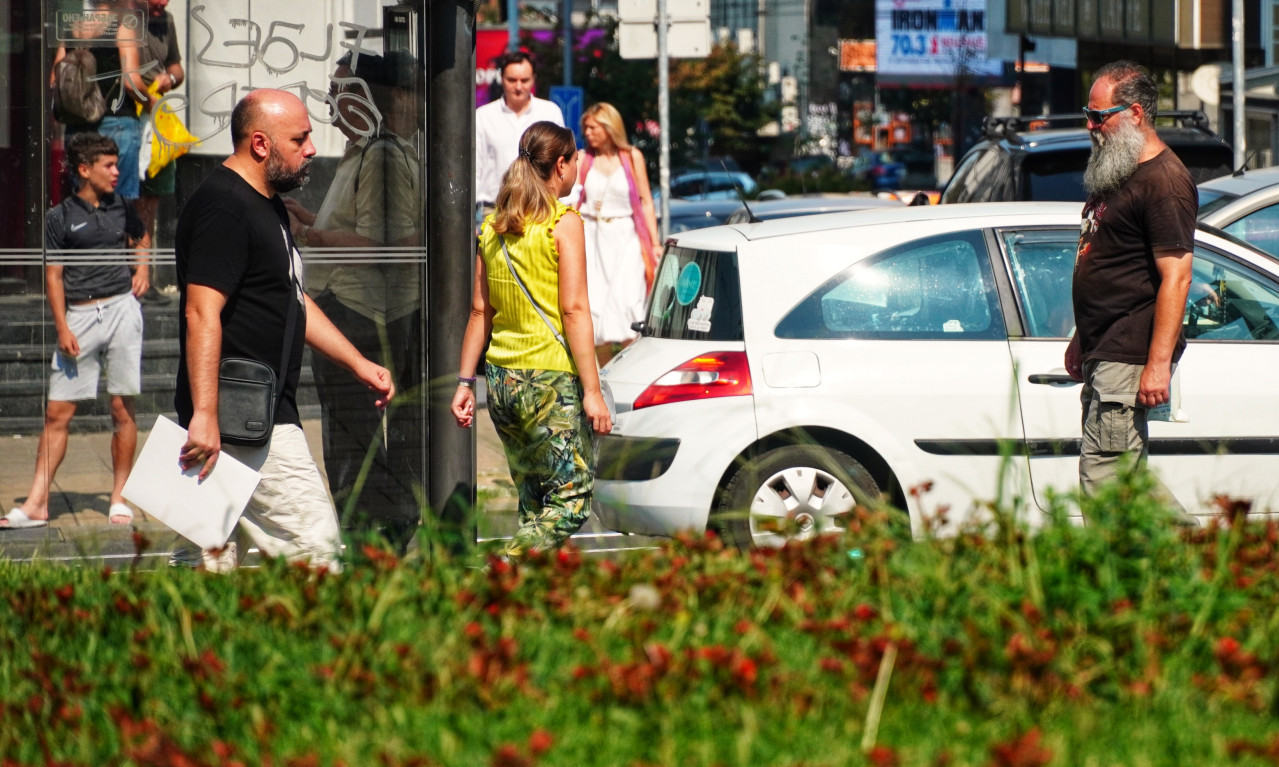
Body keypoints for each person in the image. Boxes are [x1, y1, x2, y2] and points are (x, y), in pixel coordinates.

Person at [172, 89, 395, 571]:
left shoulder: (266, 204)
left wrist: (358, 363)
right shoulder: (224, 208)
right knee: (315, 552)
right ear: (260, 144)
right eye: (300, 138)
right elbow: (200, 312)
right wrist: (206, 414)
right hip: (243, 420)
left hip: (248, 413)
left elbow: (291, 297)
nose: (312, 147)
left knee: (206, 565)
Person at [283, 51, 424, 551]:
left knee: (353, 438)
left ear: (372, 99)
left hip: (360, 311)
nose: (334, 105)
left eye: (343, 93)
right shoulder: (362, 151)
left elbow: (388, 244)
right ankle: (374, 534)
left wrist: (315, 237)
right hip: (350, 304)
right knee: (352, 436)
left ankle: (375, 539)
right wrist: (313, 223)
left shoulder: (382, 154)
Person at [452, 121, 613, 557]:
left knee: (535, 502)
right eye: (575, 159)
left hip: (502, 382)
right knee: (571, 501)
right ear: (560, 165)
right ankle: (503, 568)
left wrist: (466, 383)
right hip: (548, 381)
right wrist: (593, 391)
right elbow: (574, 310)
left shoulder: (494, 228)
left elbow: (479, 312)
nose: (578, 167)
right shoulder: (563, 223)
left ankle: (524, 605)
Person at [1065, 60, 1195, 513]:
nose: (1091, 125)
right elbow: (1112, 263)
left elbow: (1176, 275)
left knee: (1107, 477)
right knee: (1126, 477)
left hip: (1128, 352)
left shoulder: (1165, 181)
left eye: (1100, 116)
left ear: (1136, 113)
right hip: (1105, 346)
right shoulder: (1119, 169)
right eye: (1089, 113)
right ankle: (1189, 562)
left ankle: (1119, 579)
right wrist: (1082, 337)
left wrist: (1158, 364)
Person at [2, 133, 148, 529]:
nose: (118, 172)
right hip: (80, 317)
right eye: (109, 166)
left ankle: (119, 498)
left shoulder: (123, 206)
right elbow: (53, 276)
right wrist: (62, 325)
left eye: (118, 165)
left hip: (121, 310)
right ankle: (36, 503)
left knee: (121, 407)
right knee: (57, 412)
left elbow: (141, 235)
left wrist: (144, 268)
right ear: (84, 170)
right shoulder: (59, 216)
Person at [577, 102, 659, 365]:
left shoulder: (631, 156)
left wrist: (655, 243)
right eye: (585, 128)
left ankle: (632, 369)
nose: (588, 133)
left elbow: (646, 200)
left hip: (626, 238)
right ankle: (600, 375)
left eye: (593, 127)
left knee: (628, 302)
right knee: (596, 306)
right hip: (592, 237)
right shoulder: (582, 159)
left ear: (609, 126)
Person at [475, 51, 565, 216]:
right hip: (495, 210)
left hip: (540, 209)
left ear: (533, 79)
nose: (518, 87)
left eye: (524, 80)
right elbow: (475, 167)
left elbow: (561, 162)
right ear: (501, 78)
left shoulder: (550, 112)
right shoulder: (483, 116)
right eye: (512, 80)